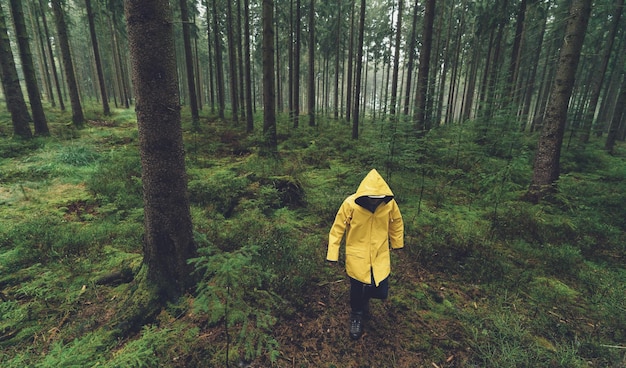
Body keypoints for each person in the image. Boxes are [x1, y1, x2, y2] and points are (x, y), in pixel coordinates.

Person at [326, 169, 404, 340]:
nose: (374, 201)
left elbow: (396, 222)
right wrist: (333, 253)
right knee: (356, 286)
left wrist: (397, 243)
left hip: (379, 254)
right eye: (371, 198)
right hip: (357, 255)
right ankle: (356, 315)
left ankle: (365, 297)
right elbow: (337, 229)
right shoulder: (350, 204)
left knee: (381, 291)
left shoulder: (389, 204)